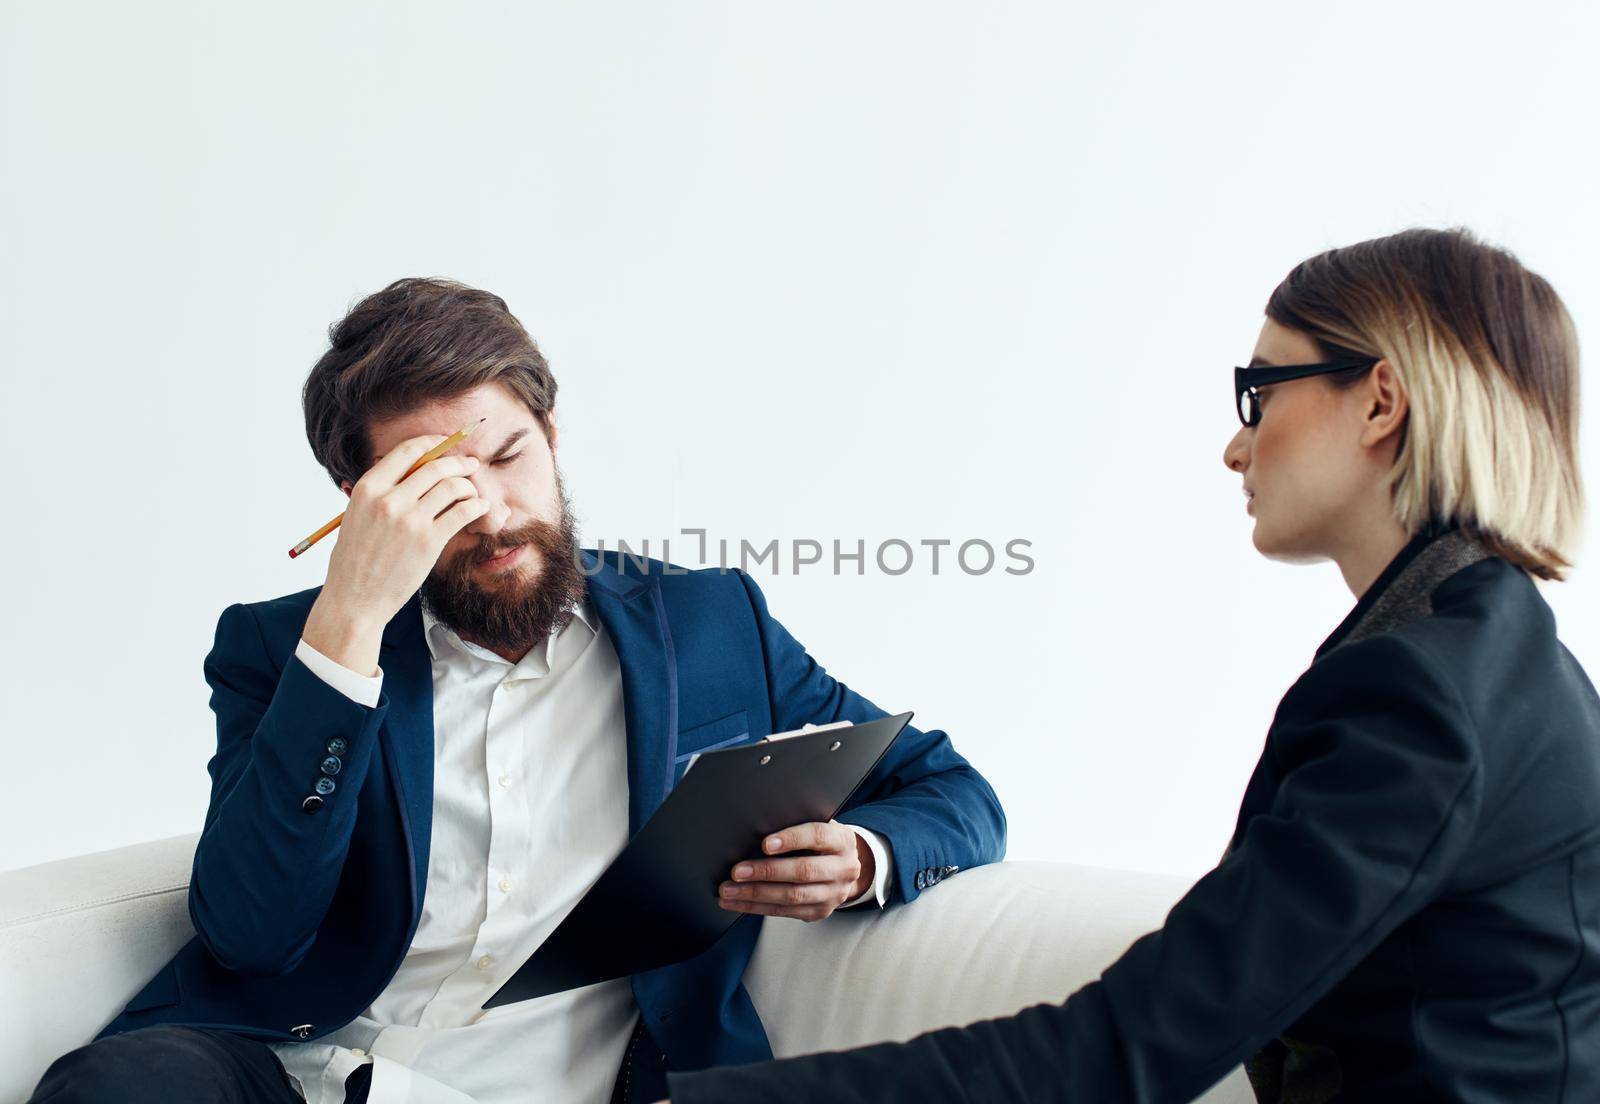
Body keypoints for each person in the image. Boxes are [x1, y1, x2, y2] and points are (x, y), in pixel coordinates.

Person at [656, 226, 1600, 1103]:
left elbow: (1128, 1049)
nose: (1237, 446)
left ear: (1381, 402)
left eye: (1260, 393)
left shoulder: (1419, 695)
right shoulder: (1496, 655)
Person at [27, 279, 1007, 1104]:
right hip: (292, 1066)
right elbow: (249, 931)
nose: (493, 513)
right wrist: (349, 628)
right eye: (437, 489)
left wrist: (866, 856)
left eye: (507, 458)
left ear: (550, 432)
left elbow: (953, 790)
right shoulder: (280, 646)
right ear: (363, 505)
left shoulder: (706, 625)